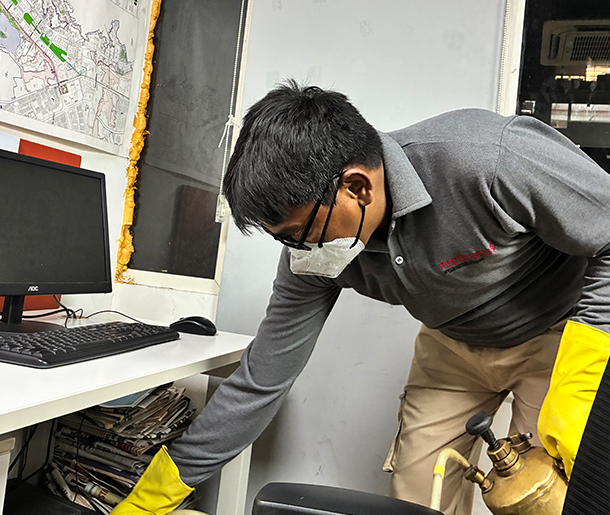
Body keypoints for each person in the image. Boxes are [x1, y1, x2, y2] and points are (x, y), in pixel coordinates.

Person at [112, 81, 610, 515]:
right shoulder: (312, 255)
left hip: (556, 336)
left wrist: (582, 385)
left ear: (357, 187)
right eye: (283, 240)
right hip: (451, 344)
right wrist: (155, 494)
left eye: (298, 234)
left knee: (545, 498)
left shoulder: (488, 158)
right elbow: (262, 380)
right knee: (415, 499)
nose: (297, 251)